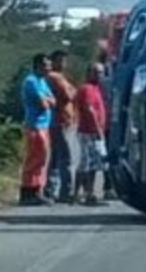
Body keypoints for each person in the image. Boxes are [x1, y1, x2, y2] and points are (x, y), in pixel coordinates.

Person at [44, 48, 80, 205]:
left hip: (63, 121)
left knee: (56, 158)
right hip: (59, 121)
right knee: (64, 158)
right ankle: (65, 191)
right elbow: (70, 95)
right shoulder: (54, 77)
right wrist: (71, 90)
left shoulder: (59, 77)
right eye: (61, 60)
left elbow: (72, 92)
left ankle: (51, 190)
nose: (64, 63)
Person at [18, 54, 55, 206]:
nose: (49, 68)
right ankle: (28, 192)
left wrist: (48, 100)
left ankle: (38, 190)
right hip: (34, 126)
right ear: (38, 66)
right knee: (33, 159)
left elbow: (53, 101)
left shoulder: (43, 82)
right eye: (46, 65)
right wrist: (47, 101)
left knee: (42, 160)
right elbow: (44, 105)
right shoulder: (31, 81)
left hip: (44, 126)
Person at [77, 63, 110, 206]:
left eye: (102, 72)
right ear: (89, 73)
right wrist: (97, 130)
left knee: (95, 164)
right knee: (87, 164)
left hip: (95, 131)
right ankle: (82, 193)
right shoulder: (87, 89)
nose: (99, 75)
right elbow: (89, 110)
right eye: (96, 72)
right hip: (88, 132)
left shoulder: (97, 89)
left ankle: (88, 192)